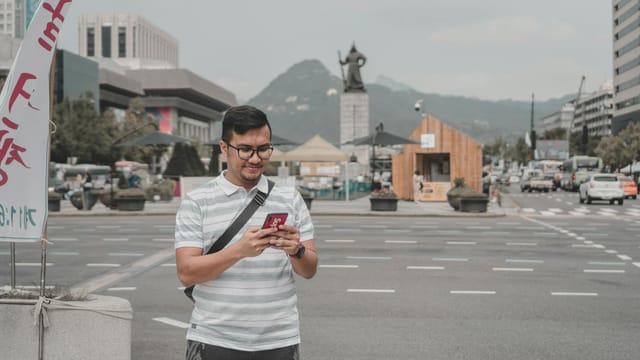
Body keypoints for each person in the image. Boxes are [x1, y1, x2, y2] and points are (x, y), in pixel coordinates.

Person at [175, 105, 318, 360]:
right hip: (214, 338)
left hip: (279, 339)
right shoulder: (198, 201)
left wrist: (296, 250)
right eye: (245, 150)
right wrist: (239, 251)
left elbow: (309, 270)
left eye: (263, 149)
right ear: (223, 148)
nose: (255, 158)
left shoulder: (290, 198)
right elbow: (186, 273)